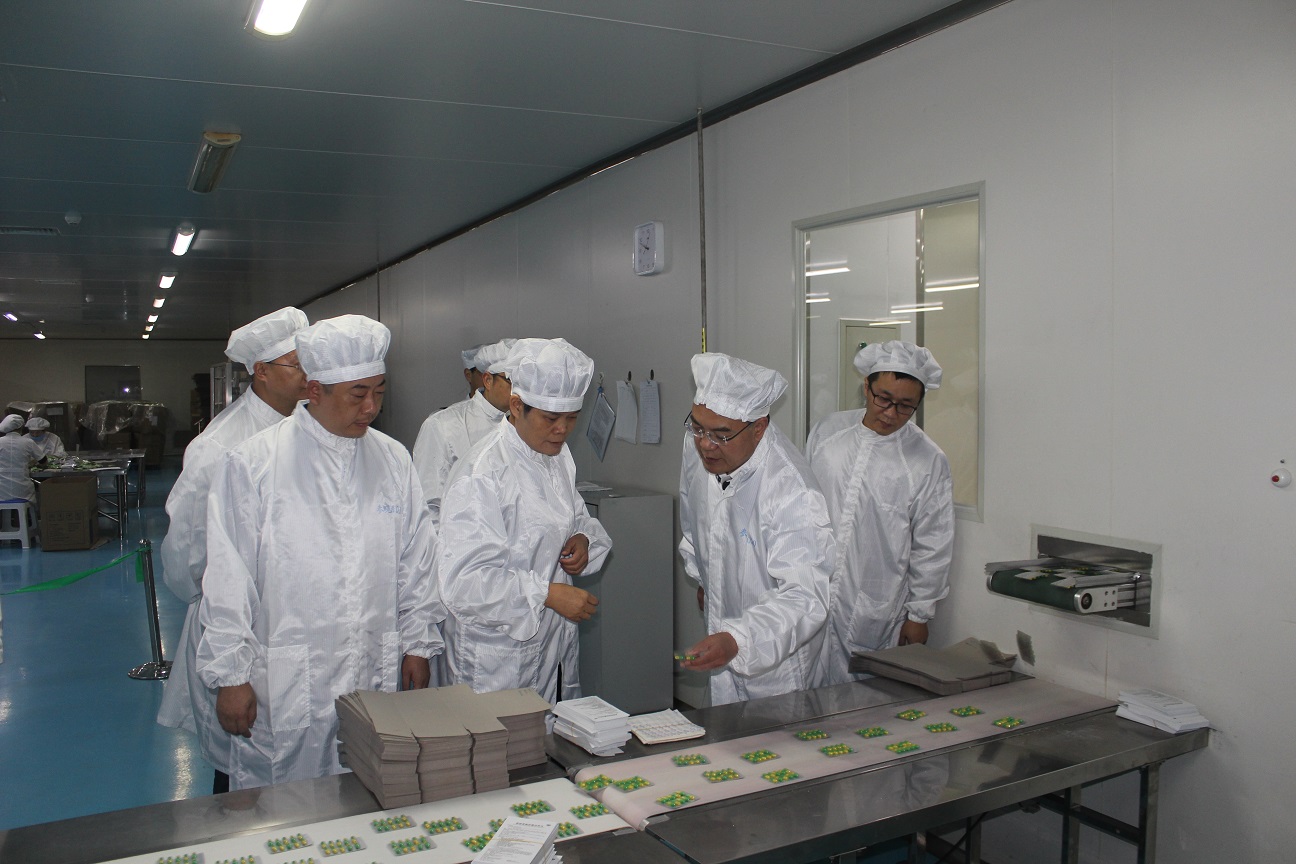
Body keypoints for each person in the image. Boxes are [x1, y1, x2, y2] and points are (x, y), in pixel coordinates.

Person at [195, 314, 445, 791]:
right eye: (357, 394)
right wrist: (230, 675)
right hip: (288, 678)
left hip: (372, 666)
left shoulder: (392, 458)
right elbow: (229, 578)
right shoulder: (254, 463)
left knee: (369, 788)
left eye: (379, 391)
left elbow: (416, 560)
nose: (371, 407)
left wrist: (417, 643)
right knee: (286, 806)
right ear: (315, 390)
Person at [155, 307, 310, 792]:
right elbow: (186, 556)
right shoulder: (220, 445)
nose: (310, 374)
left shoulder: (312, 429)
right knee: (243, 770)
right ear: (261, 370)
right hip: (242, 629)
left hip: (301, 624)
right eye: (297, 364)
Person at [437, 337, 611, 704]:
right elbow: (464, 583)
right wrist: (547, 594)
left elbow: (576, 515)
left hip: (551, 646)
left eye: (571, 419)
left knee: (548, 732)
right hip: (495, 657)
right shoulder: (483, 472)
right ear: (517, 406)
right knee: (501, 737)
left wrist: (583, 538)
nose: (562, 430)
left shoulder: (557, 458)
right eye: (551, 418)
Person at [677, 353, 834, 705]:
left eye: (721, 435)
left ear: (759, 427)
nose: (706, 444)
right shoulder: (698, 447)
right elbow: (692, 512)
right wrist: (703, 575)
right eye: (698, 427)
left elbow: (805, 596)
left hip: (776, 665)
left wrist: (740, 640)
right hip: (722, 625)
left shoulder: (792, 491)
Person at [805, 340, 954, 686]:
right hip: (812, 592)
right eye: (883, 399)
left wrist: (919, 615)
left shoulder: (927, 460)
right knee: (802, 688)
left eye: (905, 406)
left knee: (864, 696)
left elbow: (933, 543)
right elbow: (799, 504)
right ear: (866, 387)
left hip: (873, 601)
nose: (890, 413)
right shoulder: (828, 433)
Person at [411, 338, 516, 522]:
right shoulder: (443, 425)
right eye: (511, 381)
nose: (519, 391)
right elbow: (428, 507)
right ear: (488, 380)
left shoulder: (527, 427)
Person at [0, 414, 43, 504]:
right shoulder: (28, 442)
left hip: (2, 491)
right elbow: (44, 461)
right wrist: (32, 462)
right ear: (21, 428)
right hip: (22, 491)